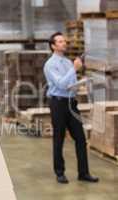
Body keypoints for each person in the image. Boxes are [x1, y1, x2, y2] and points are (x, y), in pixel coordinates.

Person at [44, 32, 99, 184]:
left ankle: (84, 173)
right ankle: (60, 173)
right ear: (53, 46)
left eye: (64, 41)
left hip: (71, 103)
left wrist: (82, 83)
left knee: (80, 138)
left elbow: (70, 85)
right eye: (60, 41)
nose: (64, 43)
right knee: (59, 138)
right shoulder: (50, 65)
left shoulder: (68, 62)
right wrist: (74, 69)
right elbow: (61, 84)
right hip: (58, 104)